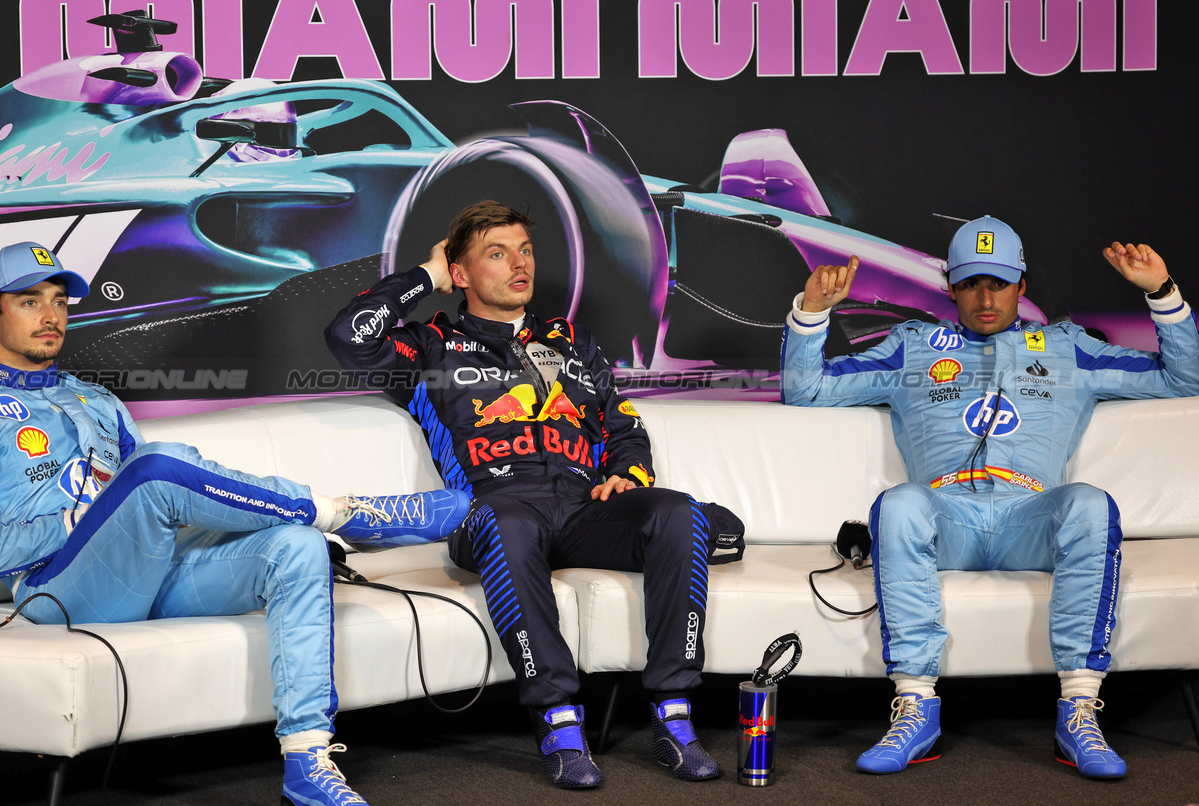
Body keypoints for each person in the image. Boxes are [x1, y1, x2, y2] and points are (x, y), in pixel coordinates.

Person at [0, 242, 472, 806]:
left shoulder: (97, 400)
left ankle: (307, 762)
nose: (51, 315)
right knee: (156, 466)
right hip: (57, 590)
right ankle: (348, 512)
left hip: (148, 566)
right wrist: (77, 520)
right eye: (29, 301)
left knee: (296, 547)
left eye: (59, 301)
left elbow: (157, 505)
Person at [325, 201, 743, 788]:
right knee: (504, 521)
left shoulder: (571, 340)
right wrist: (424, 277)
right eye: (497, 254)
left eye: (525, 251)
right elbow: (348, 337)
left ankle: (674, 713)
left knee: (677, 512)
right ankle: (559, 722)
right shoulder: (430, 347)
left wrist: (629, 475)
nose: (519, 265)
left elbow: (622, 424)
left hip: (579, 508)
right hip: (494, 511)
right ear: (461, 273)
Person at [780, 215, 1199, 779]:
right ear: (950, 286)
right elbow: (806, 390)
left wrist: (1163, 294)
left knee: (1091, 503)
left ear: (1021, 286)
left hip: (1032, 522)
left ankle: (1079, 712)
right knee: (899, 503)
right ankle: (914, 708)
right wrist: (811, 315)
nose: (985, 297)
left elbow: (1184, 380)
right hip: (947, 519)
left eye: (998, 283)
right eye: (972, 282)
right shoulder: (913, 348)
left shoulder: (1068, 348)